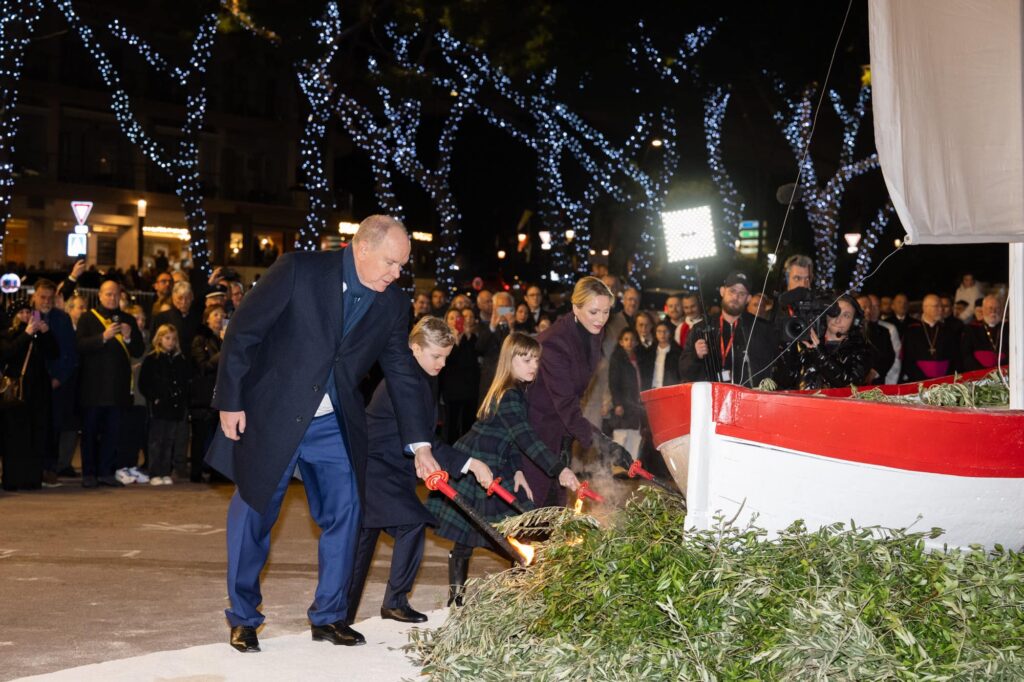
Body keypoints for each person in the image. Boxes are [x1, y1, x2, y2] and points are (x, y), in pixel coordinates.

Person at [205, 215, 437, 654]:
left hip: (333, 422)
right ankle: (243, 617)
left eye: (402, 266)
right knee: (254, 515)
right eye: (391, 263)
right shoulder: (299, 269)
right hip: (274, 413)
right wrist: (230, 400)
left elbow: (402, 372)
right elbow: (244, 330)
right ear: (361, 248)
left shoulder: (391, 303)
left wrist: (420, 443)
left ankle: (330, 616)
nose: (396, 273)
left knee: (346, 512)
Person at [347, 317, 483, 624]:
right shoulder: (404, 379)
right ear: (414, 348)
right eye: (436, 356)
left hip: (388, 469)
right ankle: (392, 602)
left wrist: (469, 463)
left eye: (446, 358)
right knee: (411, 522)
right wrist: (469, 463)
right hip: (375, 467)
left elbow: (425, 437)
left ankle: (342, 613)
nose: (441, 364)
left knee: (365, 539)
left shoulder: (420, 375)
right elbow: (425, 438)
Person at [428, 332, 578, 606]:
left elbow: (511, 440)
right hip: (479, 462)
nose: (533, 365)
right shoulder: (510, 395)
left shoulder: (512, 391)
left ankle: (465, 598)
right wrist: (559, 470)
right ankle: (475, 597)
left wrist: (518, 470)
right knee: (498, 527)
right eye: (525, 358)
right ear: (510, 360)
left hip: (490, 460)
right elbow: (526, 439)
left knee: (482, 528)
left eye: (536, 359)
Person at [526, 276, 612, 506]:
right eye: (594, 312)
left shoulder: (592, 331)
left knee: (556, 503)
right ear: (576, 307)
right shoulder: (555, 342)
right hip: (539, 426)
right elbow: (565, 403)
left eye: (606, 312)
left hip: (562, 425)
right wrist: (601, 441)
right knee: (534, 505)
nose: (601, 319)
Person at [76, 280, 144, 488]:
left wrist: (129, 337)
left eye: (115, 294)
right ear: (100, 295)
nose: (112, 298)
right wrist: (102, 338)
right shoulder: (88, 319)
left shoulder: (128, 319)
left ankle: (106, 471)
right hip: (93, 388)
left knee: (112, 433)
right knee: (89, 433)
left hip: (117, 390)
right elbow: (79, 345)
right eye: (108, 294)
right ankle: (89, 473)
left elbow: (139, 350)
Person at [679, 272, 778, 387]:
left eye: (742, 293)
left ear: (748, 299)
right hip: (711, 400)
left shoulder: (762, 329)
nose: (736, 297)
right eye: (732, 291)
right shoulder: (700, 329)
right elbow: (684, 372)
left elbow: (773, 370)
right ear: (722, 291)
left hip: (748, 400)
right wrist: (695, 356)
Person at [0, 299, 58, 490]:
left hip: (38, 392)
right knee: (14, 437)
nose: (25, 316)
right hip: (15, 393)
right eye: (21, 313)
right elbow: (7, 353)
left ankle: (32, 478)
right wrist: (25, 335)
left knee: (36, 434)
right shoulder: (8, 334)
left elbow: (54, 353)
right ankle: (13, 479)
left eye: (28, 312)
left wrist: (46, 332)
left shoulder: (38, 335)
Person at [31, 279, 77, 487]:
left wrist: (58, 378)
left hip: (55, 383)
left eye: (50, 297)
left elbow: (69, 352)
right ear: (34, 296)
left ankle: (50, 468)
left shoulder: (62, 319)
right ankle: (31, 468)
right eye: (42, 297)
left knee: (53, 426)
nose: (46, 301)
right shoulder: (27, 315)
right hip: (31, 383)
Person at [774, 295, 870, 390]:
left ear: (855, 322)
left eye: (846, 315)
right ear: (826, 314)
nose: (838, 320)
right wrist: (789, 343)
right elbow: (784, 381)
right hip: (801, 403)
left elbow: (849, 383)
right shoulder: (805, 342)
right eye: (835, 312)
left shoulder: (861, 350)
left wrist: (819, 352)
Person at [138, 324, 191, 485]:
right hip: (159, 407)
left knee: (170, 441)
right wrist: (155, 397)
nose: (170, 342)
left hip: (175, 407)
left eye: (174, 339)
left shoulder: (180, 360)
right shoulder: (152, 358)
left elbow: (185, 382)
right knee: (156, 440)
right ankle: (154, 472)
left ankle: (165, 471)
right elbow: (144, 383)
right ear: (159, 339)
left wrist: (182, 400)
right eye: (167, 338)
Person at [114, 304, 151, 485]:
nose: (140, 322)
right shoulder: (122, 338)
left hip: (141, 394)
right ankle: (121, 466)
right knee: (124, 431)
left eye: (143, 319)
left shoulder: (148, 338)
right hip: (126, 392)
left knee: (137, 431)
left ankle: (132, 465)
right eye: (137, 319)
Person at [190, 304, 225, 482]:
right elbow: (204, 366)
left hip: (221, 393)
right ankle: (196, 471)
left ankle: (216, 472)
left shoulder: (223, 340)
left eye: (222, 315)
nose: (219, 318)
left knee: (218, 436)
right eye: (216, 314)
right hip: (204, 394)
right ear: (207, 318)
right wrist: (225, 350)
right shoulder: (200, 340)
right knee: (201, 435)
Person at [439, 307, 480, 443]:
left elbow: (472, 362)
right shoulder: (443, 339)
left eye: (458, 318)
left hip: (469, 390)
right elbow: (446, 362)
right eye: (451, 318)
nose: (455, 321)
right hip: (451, 390)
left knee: (468, 424)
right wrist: (455, 342)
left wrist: (467, 338)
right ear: (446, 321)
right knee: (451, 425)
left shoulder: (471, 338)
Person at [901, 294, 960, 382]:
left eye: (941, 306)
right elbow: (908, 359)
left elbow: (955, 358)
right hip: (918, 381)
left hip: (944, 382)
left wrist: (947, 379)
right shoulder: (912, 331)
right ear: (925, 308)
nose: (941, 309)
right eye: (936, 306)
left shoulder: (948, 331)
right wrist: (922, 380)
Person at [608, 328, 643, 461]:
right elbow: (613, 382)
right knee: (621, 436)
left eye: (632, 339)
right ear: (621, 342)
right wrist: (617, 403)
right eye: (626, 339)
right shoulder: (617, 358)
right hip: (623, 403)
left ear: (636, 343)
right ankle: (618, 467)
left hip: (635, 403)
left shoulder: (638, 359)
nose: (629, 342)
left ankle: (631, 468)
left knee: (634, 436)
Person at [475, 291, 515, 397]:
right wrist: (492, 327)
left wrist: (512, 329)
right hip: (490, 379)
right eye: (501, 307)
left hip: (511, 379)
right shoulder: (484, 326)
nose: (504, 310)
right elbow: (479, 348)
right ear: (494, 307)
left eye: (507, 307)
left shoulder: (518, 326)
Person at [855, 294, 896, 385]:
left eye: (870, 307)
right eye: (864, 307)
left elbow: (889, 357)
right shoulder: (846, 332)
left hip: (876, 385)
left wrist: (874, 372)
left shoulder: (883, 332)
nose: (869, 310)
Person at [961, 294, 1008, 371]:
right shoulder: (971, 329)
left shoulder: (1007, 328)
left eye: (997, 308)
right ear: (983, 310)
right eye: (990, 308)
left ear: (1002, 310)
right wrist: (981, 372)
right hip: (978, 374)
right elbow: (966, 355)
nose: (993, 311)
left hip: (1003, 372)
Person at [645, 321, 682, 390]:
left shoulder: (677, 352)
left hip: (669, 390)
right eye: (659, 331)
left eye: (665, 331)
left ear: (670, 333)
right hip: (652, 389)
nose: (662, 334)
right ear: (655, 333)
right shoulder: (649, 352)